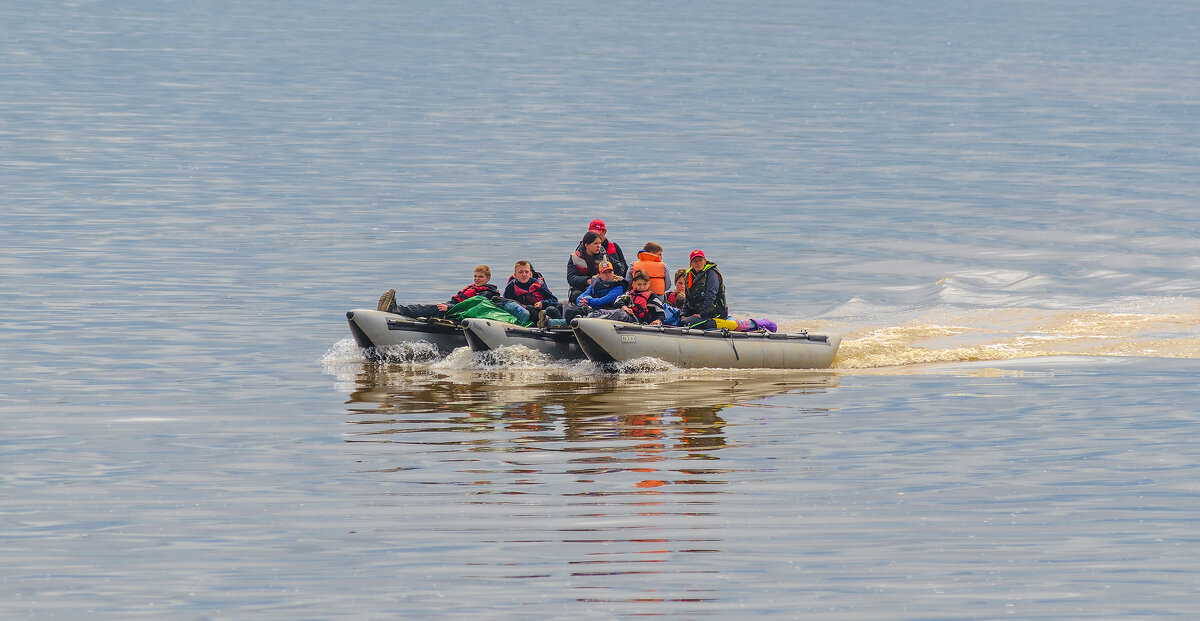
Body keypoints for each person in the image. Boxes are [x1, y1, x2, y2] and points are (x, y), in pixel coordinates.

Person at [377, 265, 499, 318]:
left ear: (488, 278)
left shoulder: (487, 293)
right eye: (475, 276)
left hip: (456, 312)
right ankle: (397, 309)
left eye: (480, 277)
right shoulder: (474, 287)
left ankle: (396, 309)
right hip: (451, 307)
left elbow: (471, 306)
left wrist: (449, 307)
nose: (477, 279)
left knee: (428, 309)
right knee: (428, 309)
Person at [542, 260, 628, 327]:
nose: (608, 275)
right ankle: (549, 322)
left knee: (575, 314)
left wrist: (588, 300)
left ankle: (550, 322)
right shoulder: (595, 283)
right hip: (593, 309)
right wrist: (583, 301)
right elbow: (580, 297)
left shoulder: (618, 286)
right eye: (605, 272)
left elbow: (603, 301)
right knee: (570, 312)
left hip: (608, 311)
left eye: (610, 272)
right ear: (599, 275)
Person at [588, 270, 665, 325]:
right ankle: (588, 318)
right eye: (639, 284)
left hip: (638, 320)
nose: (642, 287)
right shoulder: (630, 294)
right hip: (626, 313)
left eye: (644, 284)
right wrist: (624, 307)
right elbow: (618, 300)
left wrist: (658, 320)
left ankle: (594, 322)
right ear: (634, 284)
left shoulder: (652, 296)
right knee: (602, 311)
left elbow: (661, 313)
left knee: (619, 314)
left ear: (649, 284)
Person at [680, 249, 728, 330]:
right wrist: (683, 314)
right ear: (691, 263)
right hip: (696, 313)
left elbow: (711, 296)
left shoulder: (711, 273)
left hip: (713, 314)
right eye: (695, 261)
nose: (698, 263)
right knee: (680, 320)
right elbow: (687, 298)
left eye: (700, 260)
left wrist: (702, 315)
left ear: (705, 261)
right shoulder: (689, 275)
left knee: (685, 323)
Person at [566, 230, 608, 304]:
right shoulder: (575, 257)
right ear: (587, 245)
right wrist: (587, 280)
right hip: (580, 289)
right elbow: (571, 278)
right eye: (595, 243)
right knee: (577, 295)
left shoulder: (604, 257)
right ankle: (584, 309)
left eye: (599, 243)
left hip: (599, 287)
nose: (598, 246)